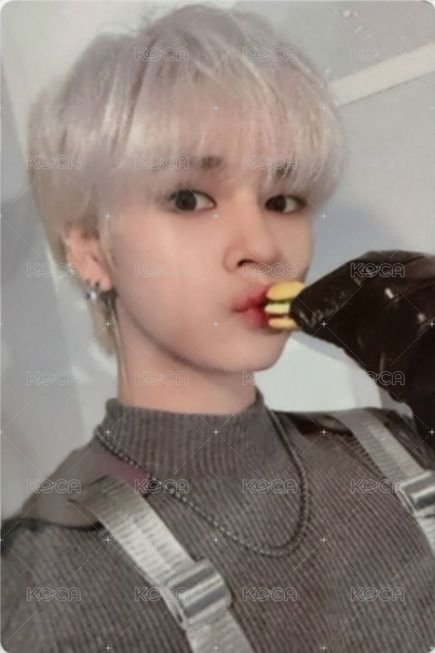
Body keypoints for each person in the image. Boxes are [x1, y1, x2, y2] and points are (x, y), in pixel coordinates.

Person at [2, 3, 435, 652]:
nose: (261, 245)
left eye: (282, 199)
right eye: (188, 198)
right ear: (91, 248)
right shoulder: (37, 586)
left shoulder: (400, 449)